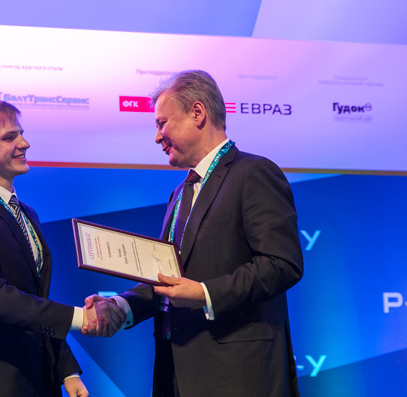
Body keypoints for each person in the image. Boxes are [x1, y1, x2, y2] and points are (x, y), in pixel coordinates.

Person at [84, 70, 304, 397]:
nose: (157, 137)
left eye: (162, 123)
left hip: (238, 376)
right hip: (176, 375)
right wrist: (121, 306)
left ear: (197, 113)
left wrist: (204, 293)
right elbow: (167, 277)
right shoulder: (179, 193)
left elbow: (281, 264)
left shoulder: (254, 173)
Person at [0, 99, 123, 396]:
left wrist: (67, 370)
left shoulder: (27, 213)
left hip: (36, 379)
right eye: (10, 137)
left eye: (21, 134)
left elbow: (35, 300)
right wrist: (80, 318)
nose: (24, 144)